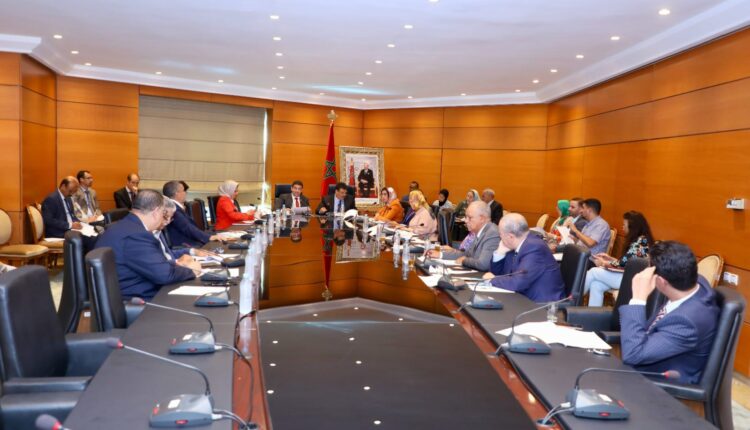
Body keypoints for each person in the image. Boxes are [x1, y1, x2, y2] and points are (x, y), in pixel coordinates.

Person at [620, 241, 719, 384]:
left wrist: (638, 299)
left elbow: (633, 355)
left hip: (656, 382)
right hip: (647, 359)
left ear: (661, 281)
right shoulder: (696, 282)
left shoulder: (687, 321)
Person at [95, 190, 199, 300]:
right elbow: (164, 275)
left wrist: (176, 264)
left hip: (131, 294)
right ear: (156, 212)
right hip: (141, 300)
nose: (164, 219)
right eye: (163, 214)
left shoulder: (125, 227)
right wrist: (191, 270)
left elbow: (153, 264)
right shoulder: (137, 235)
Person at [483, 213, 565, 303]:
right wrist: (499, 253)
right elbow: (500, 274)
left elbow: (518, 283)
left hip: (541, 305)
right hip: (523, 297)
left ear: (510, 237)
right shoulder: (516, 244)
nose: (500, 238)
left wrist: (492, 280)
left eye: (500, 234)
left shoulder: (534, 247)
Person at [585, 211, 655, 306]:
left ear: (632, 227)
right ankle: (592, 314)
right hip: (628, 275)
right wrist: (609, 259)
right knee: (596, 285)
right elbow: (627, 262)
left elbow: (623, 264)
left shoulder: (641, 242)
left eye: (624, 225)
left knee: (593, 271)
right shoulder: (642, 239)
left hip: (631, 279)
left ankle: (573, 298)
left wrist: (603, 263)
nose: (623, 227)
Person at [428, 201, 499, 271]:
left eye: (470, 218)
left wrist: (464, 260)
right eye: (466, 217)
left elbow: (483, 264)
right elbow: (466, 253)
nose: (466, 221)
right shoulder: (479, 231)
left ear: (482, 219)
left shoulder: (492, 233)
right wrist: (440, 254)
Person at [162, 180, 220, 247]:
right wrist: (210, 237)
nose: (185, 193)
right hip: (185, 244)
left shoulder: (174, 206)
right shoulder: (173, 209)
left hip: (189, 241)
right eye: (184, 190)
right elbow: (187, 228)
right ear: (177, 193)